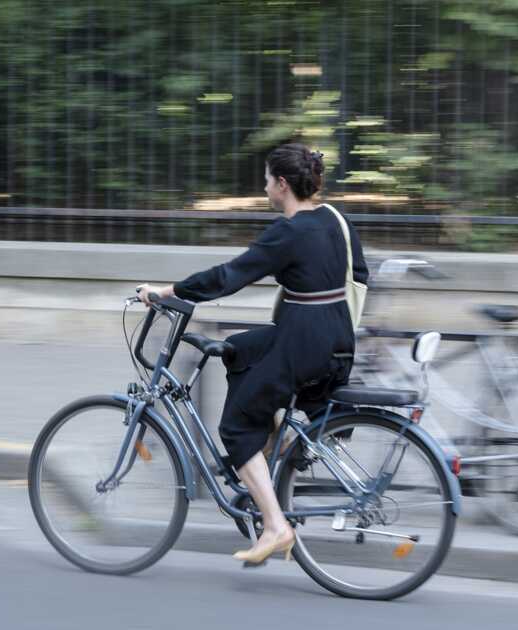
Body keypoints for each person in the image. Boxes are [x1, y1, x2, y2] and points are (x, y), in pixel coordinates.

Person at [136, 143, 368, 566]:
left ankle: (276, 525)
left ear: (282, 184)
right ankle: (272, 446)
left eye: (266, 180)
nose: (263, 188)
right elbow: (360, 275)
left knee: (235, 427)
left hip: (304, 343)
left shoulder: (289, 231)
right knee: (238, 348)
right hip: (338, 340)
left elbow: (229, 276)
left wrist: (165, 291)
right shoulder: (336, 219)